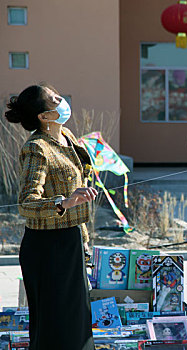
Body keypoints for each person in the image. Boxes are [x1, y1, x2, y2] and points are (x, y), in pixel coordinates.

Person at [4, 84, 97, 349]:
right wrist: (64, 202)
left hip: (72, 239)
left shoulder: (66, 135)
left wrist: (85, 241)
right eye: (55, 99)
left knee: (78, 325)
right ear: (44, 116)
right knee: (57, 328)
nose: (62, 99)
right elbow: (26, 202)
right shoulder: (36, 148)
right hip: (48, 247)